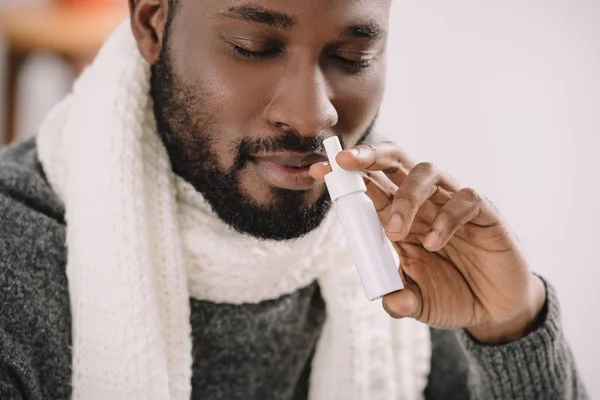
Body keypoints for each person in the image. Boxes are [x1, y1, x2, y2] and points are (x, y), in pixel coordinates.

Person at [0, 0, 588, 399]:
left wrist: (512, 326)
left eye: (353, 58)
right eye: (255, 46)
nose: (314, 115)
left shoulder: (407, 253)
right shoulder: (15, 262)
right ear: (153, 24)